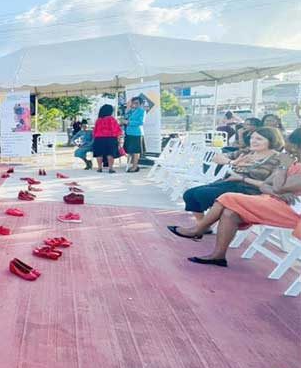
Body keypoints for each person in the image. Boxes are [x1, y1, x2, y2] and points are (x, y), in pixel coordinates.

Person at [166, 128, 300, 268]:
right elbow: (266, 186)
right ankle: (218, 256)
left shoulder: (283, 161)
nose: (288, 149)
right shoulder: (291, 162)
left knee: (227, 198)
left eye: (292, 146)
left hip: (291, 209)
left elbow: (278, 186)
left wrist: (282, 170)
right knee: (229, 212)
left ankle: (199, 229)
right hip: (271, 199)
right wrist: (276, 190)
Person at [176, 127, 286, 224]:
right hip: (229, 183)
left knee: (203, 194)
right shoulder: (248, 152)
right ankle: (203, 225)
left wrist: (243, 178)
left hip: (251, 190)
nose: (253, 141)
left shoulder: (279, 159)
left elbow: (271, 185)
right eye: (252, 138)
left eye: (259, 139)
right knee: (189, 194)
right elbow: (216, 157)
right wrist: (232, 162)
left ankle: (202, 226)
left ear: (271, 141)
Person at [92, 104, 122, 173]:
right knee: (110, 153)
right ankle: (111, 168)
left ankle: (99, 168)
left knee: (99, 153)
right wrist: (118, 137)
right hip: (110, 138)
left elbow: (94, 131)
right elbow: (116, 129)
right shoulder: (111, 119)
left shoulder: (98, 120)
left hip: (99, 138)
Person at [124, 97, 145, 172]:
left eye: (137, 103)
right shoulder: (131, 111)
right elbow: (126, 117)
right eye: (133, 103)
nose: (135, 104)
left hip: (136, 133)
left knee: (136, 151)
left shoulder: (142, 111)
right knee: (130, 150)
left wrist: (129, 123)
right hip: (129, 132)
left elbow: (141, 122)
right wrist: (128, 109)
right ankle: (132, 164)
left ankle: (135, 166)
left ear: (140, 103)